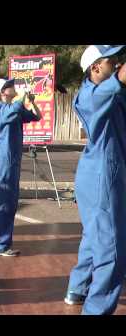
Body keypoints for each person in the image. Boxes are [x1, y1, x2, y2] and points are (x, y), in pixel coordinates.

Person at [64, 45, 126, 315]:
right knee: (111, 249)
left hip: (100, 174)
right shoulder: (89, 95)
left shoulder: (110, 95)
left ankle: (77, 289)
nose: (118, 64)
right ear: (96, 68)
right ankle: (96, 310)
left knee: (94, 238)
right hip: (103, 176)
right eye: (113, 60)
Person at [0, 78, 41, 257]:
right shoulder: (0, 109)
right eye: (10, 86)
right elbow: (16, 107)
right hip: (4, 164)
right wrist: (23, 96)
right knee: (5, 205)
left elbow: (36, 116)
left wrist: (32, 102)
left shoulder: (11, 109)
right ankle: (0, 246)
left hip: (10, 163)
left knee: (8, 203)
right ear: (2, 92)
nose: (14, 87)